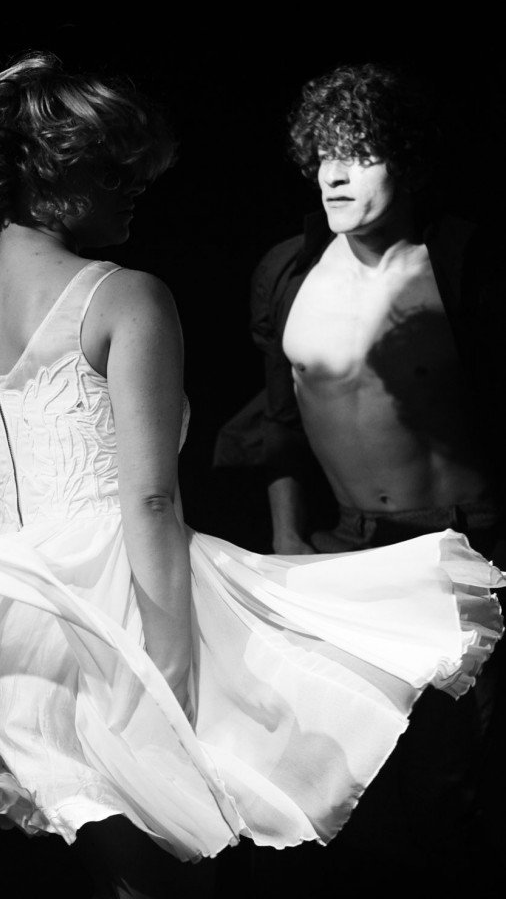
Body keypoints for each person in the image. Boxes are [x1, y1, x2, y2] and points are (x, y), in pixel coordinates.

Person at [0, 54, 503, 899]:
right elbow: (147, 499)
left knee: (127, 878)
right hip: (132, 622)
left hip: (19, 643)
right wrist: (169, 676)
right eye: (113, 170)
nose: (136, 189)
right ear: (50, 173)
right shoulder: (125, 298)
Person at [235, 62, 505, 886]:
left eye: (361, 153)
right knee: (357, 790)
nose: (336, 174)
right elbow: (278, 424)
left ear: (408, 162)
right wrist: (287, 541)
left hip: (464, 550)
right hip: (348, 553)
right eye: (324, 153)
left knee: (463, 789)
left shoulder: (462, 263)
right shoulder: (288, 272)